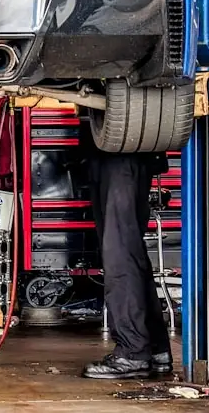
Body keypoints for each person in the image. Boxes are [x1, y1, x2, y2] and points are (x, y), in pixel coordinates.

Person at [82, 147, 173, 379]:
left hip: (121, 154)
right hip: (122, 155)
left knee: (119, 254)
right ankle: (155, 347)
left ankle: (133, 352)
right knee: (130, 251)